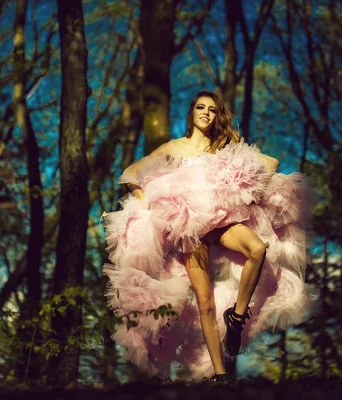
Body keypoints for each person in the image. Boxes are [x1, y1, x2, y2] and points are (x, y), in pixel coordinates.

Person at [102, 89, 316, 382]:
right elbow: (130, 174)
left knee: (258, 250)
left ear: (217, 115)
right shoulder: (174, 147)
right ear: (191, 112)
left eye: (212, 110)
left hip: (223, 224)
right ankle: (219, 375)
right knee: (205, 301)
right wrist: (150, 207)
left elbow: (271, 163)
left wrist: (248, 195)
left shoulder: (225, 145)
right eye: (200, 107)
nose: (206, 113)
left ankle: (237, 317)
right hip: (192, 232)